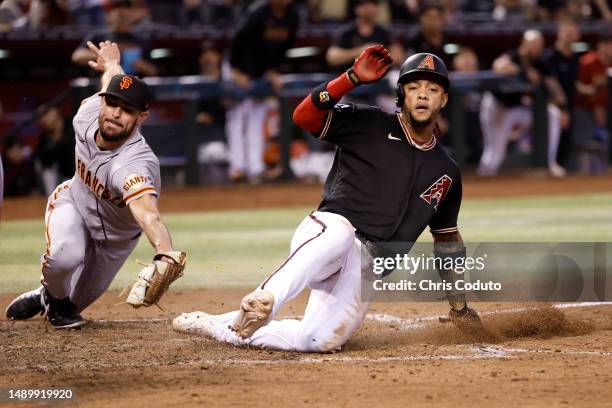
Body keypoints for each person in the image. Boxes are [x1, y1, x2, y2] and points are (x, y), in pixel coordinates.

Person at [173, 46, 480, 352]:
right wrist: (350, 79)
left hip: (365, 269)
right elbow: (304, 115)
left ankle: (218, 325)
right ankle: (265, 298)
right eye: (414, 88)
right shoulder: (369, 123)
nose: (423, 95)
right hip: (327, 235)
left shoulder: (447, 171)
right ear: (401, 95)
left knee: (318, 341)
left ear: (444, 99)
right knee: (341, 233)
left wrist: (459, 307)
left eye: (432, 88)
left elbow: (447, 242)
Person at [5, 41, 185, 329]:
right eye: (111, 103)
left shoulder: (134, 165)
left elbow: (148, 214)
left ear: (141, 118)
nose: (115, 113)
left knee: (71, 304)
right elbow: (110, 80)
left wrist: (165, 252)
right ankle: (53, 291)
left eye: (126, 110)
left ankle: (47, 295)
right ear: (102, 100)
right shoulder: (86, 113)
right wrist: (111, 63)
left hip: (114, 241)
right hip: (73, 203)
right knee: (64, 256)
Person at [225, 0, 299, 183]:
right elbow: (238, 41)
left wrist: (273, 70)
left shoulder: (293, 16)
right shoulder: (258, 12)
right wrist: (236, 71)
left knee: (258, 114)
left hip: (262, 69)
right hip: (238, 65)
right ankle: (237, 168)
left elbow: (285, 47)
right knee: (238, 114)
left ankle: (255, 167)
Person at [478, 29, 567, 177]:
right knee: (495, 149)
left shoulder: (540, 63)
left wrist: (563, 109)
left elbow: (556, 90)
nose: (536, 49)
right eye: (533, 45)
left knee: (553, 114)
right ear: (524, 44)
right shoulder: (513, 55)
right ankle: (485, 176)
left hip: (517, 107)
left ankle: (550, 162)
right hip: (497, 105)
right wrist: (524, 72)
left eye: (539, 45)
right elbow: (499, 66)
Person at [71, 0, 157, 77]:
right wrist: (101, 55)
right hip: (102, 87)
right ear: (108, 14)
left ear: (134, 13)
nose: (121, 11)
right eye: (115, 7)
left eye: (127, 7)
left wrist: (142, 65)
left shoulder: (141, 40)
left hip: (130, 86)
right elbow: (77, 57)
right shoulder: (98, 36)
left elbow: (153, 71)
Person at [326, 0, 404, 73]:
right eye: (363, 4)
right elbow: (332, 58)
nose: (368, 8)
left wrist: (378, 56)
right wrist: (362, 51)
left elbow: (399, 57)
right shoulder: (346, 32)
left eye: (372, 3)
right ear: (356, 8)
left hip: (378, 78)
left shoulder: (384, 32)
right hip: (351, 78)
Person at [543, 17, 580, 168]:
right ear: (560, 33)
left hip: (570, 104)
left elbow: (574, 83)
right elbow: (551, 85)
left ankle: (559, 168)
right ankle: (550, 166)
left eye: (573, 32)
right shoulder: (550, 56)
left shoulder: (575, 57)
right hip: (554, 106)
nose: (570, 35)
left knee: (566, 139)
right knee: (554, 137)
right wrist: (562, 108)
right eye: (567, 31)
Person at [575, 33, 612, 146]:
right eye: (608, 44)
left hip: (608, 110)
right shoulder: (587, 62)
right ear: (600, 45)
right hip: (586, 109)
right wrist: (596, 104)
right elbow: (577, 86)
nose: (610, 48)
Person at [35, 104, 76, 195]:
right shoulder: (43, 141)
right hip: (61, 185)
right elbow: (46, 168)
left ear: (56, 110)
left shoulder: (74, 126)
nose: (43, 119)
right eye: (39, 116)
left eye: (45, 113)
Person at [405, 1, 452, 68]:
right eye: (429, 16)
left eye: (436, 17)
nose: (432, 21)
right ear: (421, 18)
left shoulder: (450, 40)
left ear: (442, 19)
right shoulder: (414, 43)